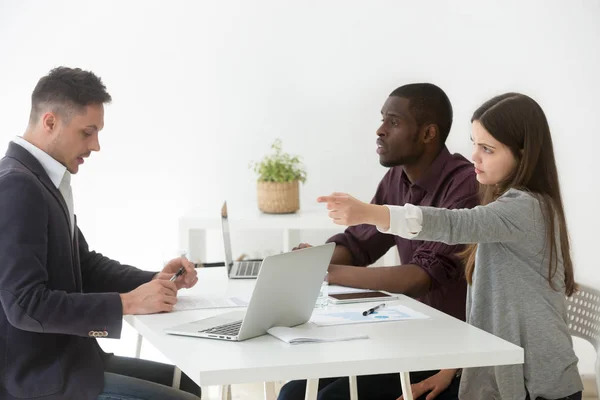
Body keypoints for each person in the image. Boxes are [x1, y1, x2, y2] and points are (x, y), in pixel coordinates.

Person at [318, 92, 583, 400]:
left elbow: (453, 224)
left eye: (487, 149)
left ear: (523, 155)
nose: (475, 156)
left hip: (540, 387)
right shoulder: (502, 204)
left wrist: (369, 212)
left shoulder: (526, 208)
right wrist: (452, 368)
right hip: (501, 375)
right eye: (474, 143)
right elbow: (489, 310)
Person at [0, 67, 201, 400]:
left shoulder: (43, 180)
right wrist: (128, 303)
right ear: (50, 122)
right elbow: (25, 304)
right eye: (87, 132)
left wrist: (156, 279)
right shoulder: (17, 186)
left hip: (73, 360)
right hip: (38, 379)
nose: (95, 146)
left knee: (189, 380)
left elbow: (85, 266)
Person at [278, 83, 478, 400]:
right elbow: (360, 244)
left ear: (428, 134)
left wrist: (324, 271)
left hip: (452, 350)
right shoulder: (396, 178)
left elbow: (419, 277)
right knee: (293, 392)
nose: (380, 130)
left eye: (394, 122)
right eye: (383, 118)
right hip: (411, 336)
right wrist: (312, 260)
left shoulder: (465, 186)